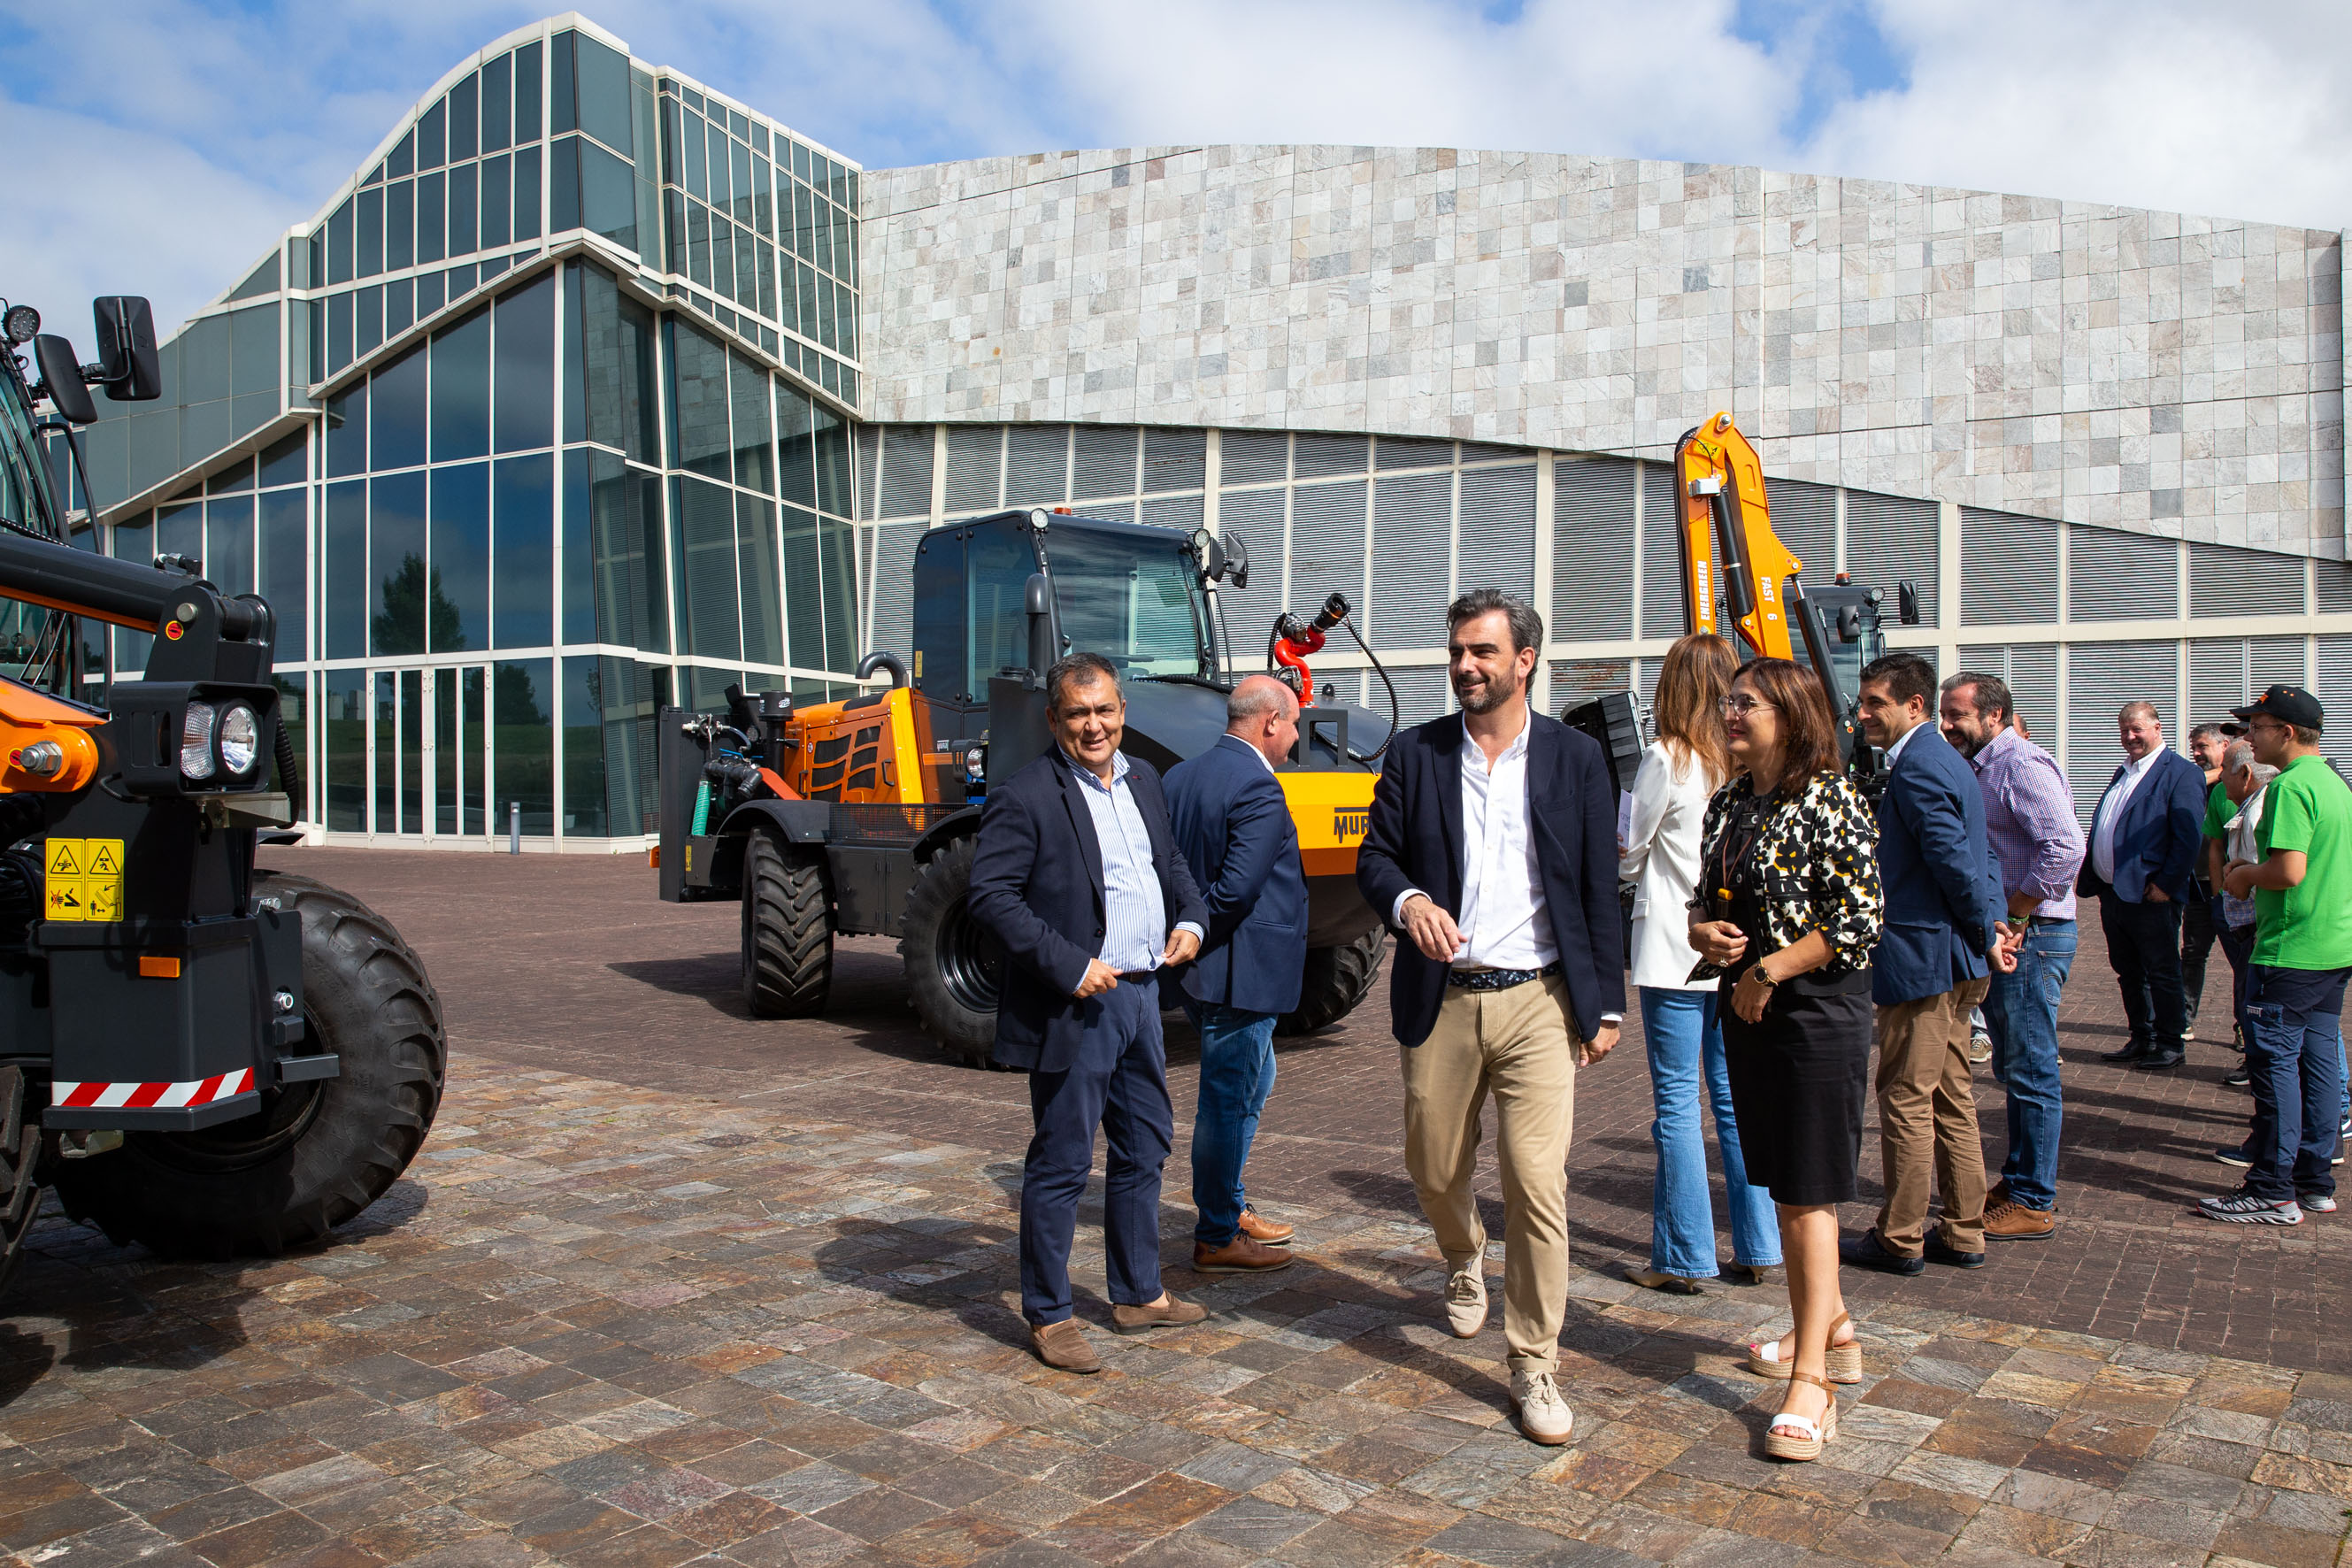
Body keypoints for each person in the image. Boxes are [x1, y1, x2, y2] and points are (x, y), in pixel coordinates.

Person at [1356, 589, 1623, 1447]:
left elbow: (1598, 884)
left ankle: (1534, 1361)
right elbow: (1375, 856)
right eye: (1458, 651)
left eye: (1483, 651)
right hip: (1442, 996)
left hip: (1541, 999)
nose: (1465, 665)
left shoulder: (1576, 757)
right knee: (1434, 1166)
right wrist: (1407, 902)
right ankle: (1463, 1249)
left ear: (1525, 661)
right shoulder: (1417, 752)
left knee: (1538, 1182)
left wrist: (1604, 1002)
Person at [967, 653, 1211, 1372]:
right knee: (1064, 1160)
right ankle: (1049, 1314)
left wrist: (1192, 920)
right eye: (1078, 714)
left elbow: (1171, 867)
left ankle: (1138, 1294)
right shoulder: (1025, 796)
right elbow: (991, 898)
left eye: (1105, 710)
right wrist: (1069, 965)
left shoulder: (1147, 781)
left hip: (1142, 995)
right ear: (1054, 720)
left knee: (1145, 1146)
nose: (1094, 725)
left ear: (1122, 711)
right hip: (1076, 1003)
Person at [1688, 658, 1883, 1464]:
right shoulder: (1731, 800)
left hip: (1816, 1009)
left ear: (1792, 715)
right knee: (1778, 1178)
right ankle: (1831, 1328)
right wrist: (1705, 933)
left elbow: (1860, 918)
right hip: (1747, 1005)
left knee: (1807, 1189)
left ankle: (1812, 1384)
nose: (1731, 714)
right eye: (1728, 701)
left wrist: (1769, 970)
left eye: (1748, 704)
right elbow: (1706, 895)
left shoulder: (1832, 798)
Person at [1841, 654, 2014, 1277]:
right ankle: (1963, 1229)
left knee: (1907, 1098)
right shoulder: (1945, 761)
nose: (1862, 715)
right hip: (1953, 956)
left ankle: (1900, 1236)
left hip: (1926, 960)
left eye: (1875, 704)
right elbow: (1983, 856)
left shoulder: (1918, 767)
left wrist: (1985, 931)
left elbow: (1956, 862)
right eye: (1862, 703)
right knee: (1949, 1096)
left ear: (1913, 705)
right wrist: (1989, 926)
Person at [1618, 633, 1779, 1294]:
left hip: (1673, 946)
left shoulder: (1667, 757)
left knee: (1678, 1103)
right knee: (1735, 1098)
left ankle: (1682, 1255)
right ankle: (1759, 1243)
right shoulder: (1746, 765)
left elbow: (1631, 851)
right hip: (1735, 947)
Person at [1164, 674, 1306, 1276]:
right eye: (1294, 724)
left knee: (1253, 1081)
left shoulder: (1178, 776)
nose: (1296, 737)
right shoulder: (1259, 786)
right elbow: (1237, 890)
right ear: (1270, 721)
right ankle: (1218, 1233)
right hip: (1239, 971)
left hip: (1203, 972)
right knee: (1227, 1101)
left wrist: (1186, 934)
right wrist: (1198, 933)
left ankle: (1230, 1203)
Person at [1940, 672, 2086, 1240]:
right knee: (2014, 1066)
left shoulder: (2020, 764)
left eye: (1957, 715)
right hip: (2018, 934)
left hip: (2034, 936)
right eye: (1945, 715)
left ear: (1994, 715)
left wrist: (2019, 913)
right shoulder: (1984, 766)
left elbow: (2066, 846)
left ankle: (2033, 1199)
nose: (1947, 726)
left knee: (2030, 1068)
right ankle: (2021, 1178)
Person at [2208, 686, 2352, 1223]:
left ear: (2286, 733)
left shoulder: (2291, 786)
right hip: (2331, 945)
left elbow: (2289, 871)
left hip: (2290, 947)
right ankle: (2313, 1181)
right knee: (2319, 1063)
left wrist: (2244, 875)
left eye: (2257, 727)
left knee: (2274, 1068)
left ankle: (2271, 1187)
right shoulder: (2333, 781)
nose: (2249, 737)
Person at [2080, 703, 2208, 1072]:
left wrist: (2166, 885)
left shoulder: (2180, 773)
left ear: (2157, 727)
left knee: (2161, 971)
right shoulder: (2124, 771)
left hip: (2151, 894)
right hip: (2114, 892)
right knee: (2128, 970)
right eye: (2124, 729)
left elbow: (2188, 838)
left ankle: (2170, 1042)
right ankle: (2142, 1036)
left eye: (2136, 728)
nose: (2130, 736)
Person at [2211, 743, 2273, 1108]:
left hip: (2258, 931)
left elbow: (2267, 871)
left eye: (2225, 770)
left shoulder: (2259, 810)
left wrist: (2239, 875)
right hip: (2250, 930)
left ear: (2246, 774)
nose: (2219, 778)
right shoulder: (2248, 806)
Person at [2184, 723, 2230, 1041]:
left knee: (2242, 959)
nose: (2197, 754)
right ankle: (2183, 1019)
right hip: (2198, 883)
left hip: (2234, 886)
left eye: (2203, 747)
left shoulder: (2242, 779)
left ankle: (2244, 1026)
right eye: (2194, 749)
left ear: (2223, 746)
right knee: (2192, 953)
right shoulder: (2198, 781)